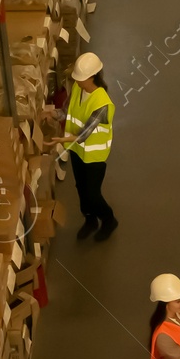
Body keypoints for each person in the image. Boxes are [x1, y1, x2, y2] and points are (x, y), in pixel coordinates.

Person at [57, 51, 118, 241]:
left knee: (92, 193)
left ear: (92, 77)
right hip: (77, 151)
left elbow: (84, 133)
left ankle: (109, 220)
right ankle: (90, 220)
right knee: (81, 188)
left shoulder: (102, 103)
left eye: (81, 78)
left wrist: (60, 140)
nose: (78, 81)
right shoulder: (77, 88)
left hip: (94, 156)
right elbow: (67, 112)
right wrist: (51, 114)